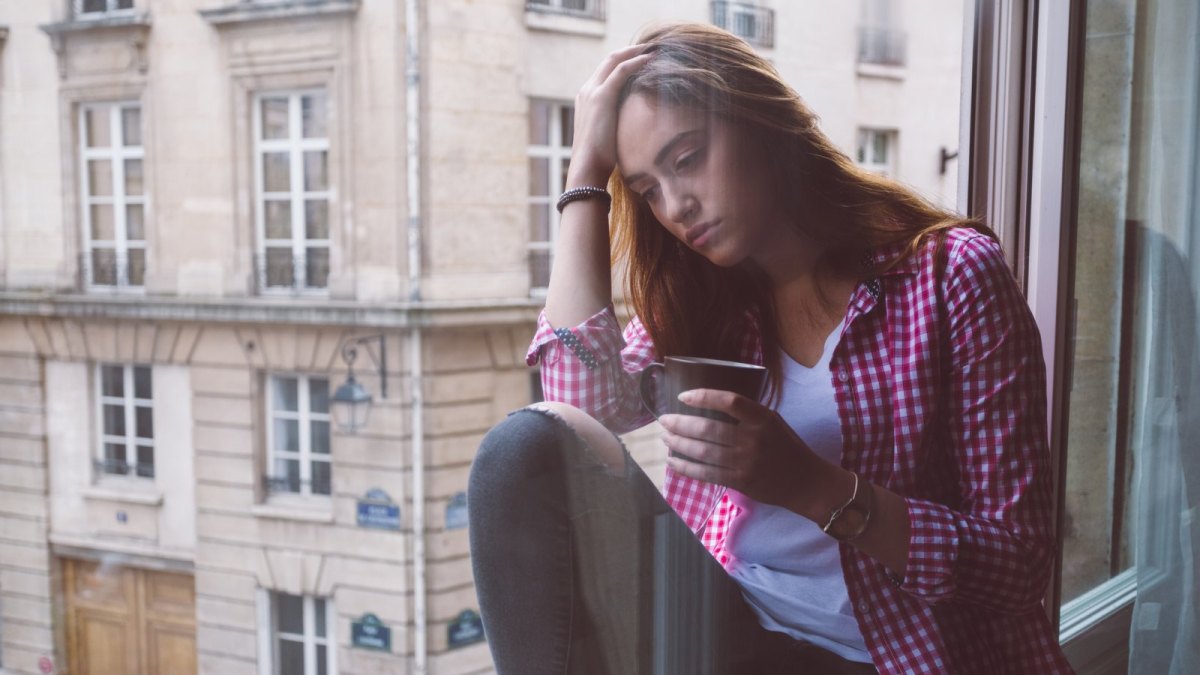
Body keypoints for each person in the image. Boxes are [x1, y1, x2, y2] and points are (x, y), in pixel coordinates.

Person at [468, 21, 1075, 675]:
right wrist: (585, 177)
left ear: (763, 124)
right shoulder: (704, 299)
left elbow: (1019, 561)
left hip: (888, 652)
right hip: (723, 623)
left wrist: (814, 486)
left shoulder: (950, 275)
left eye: (687, 157)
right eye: (648, 189)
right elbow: (573, 407)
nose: (676, 205)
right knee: (519, 453)